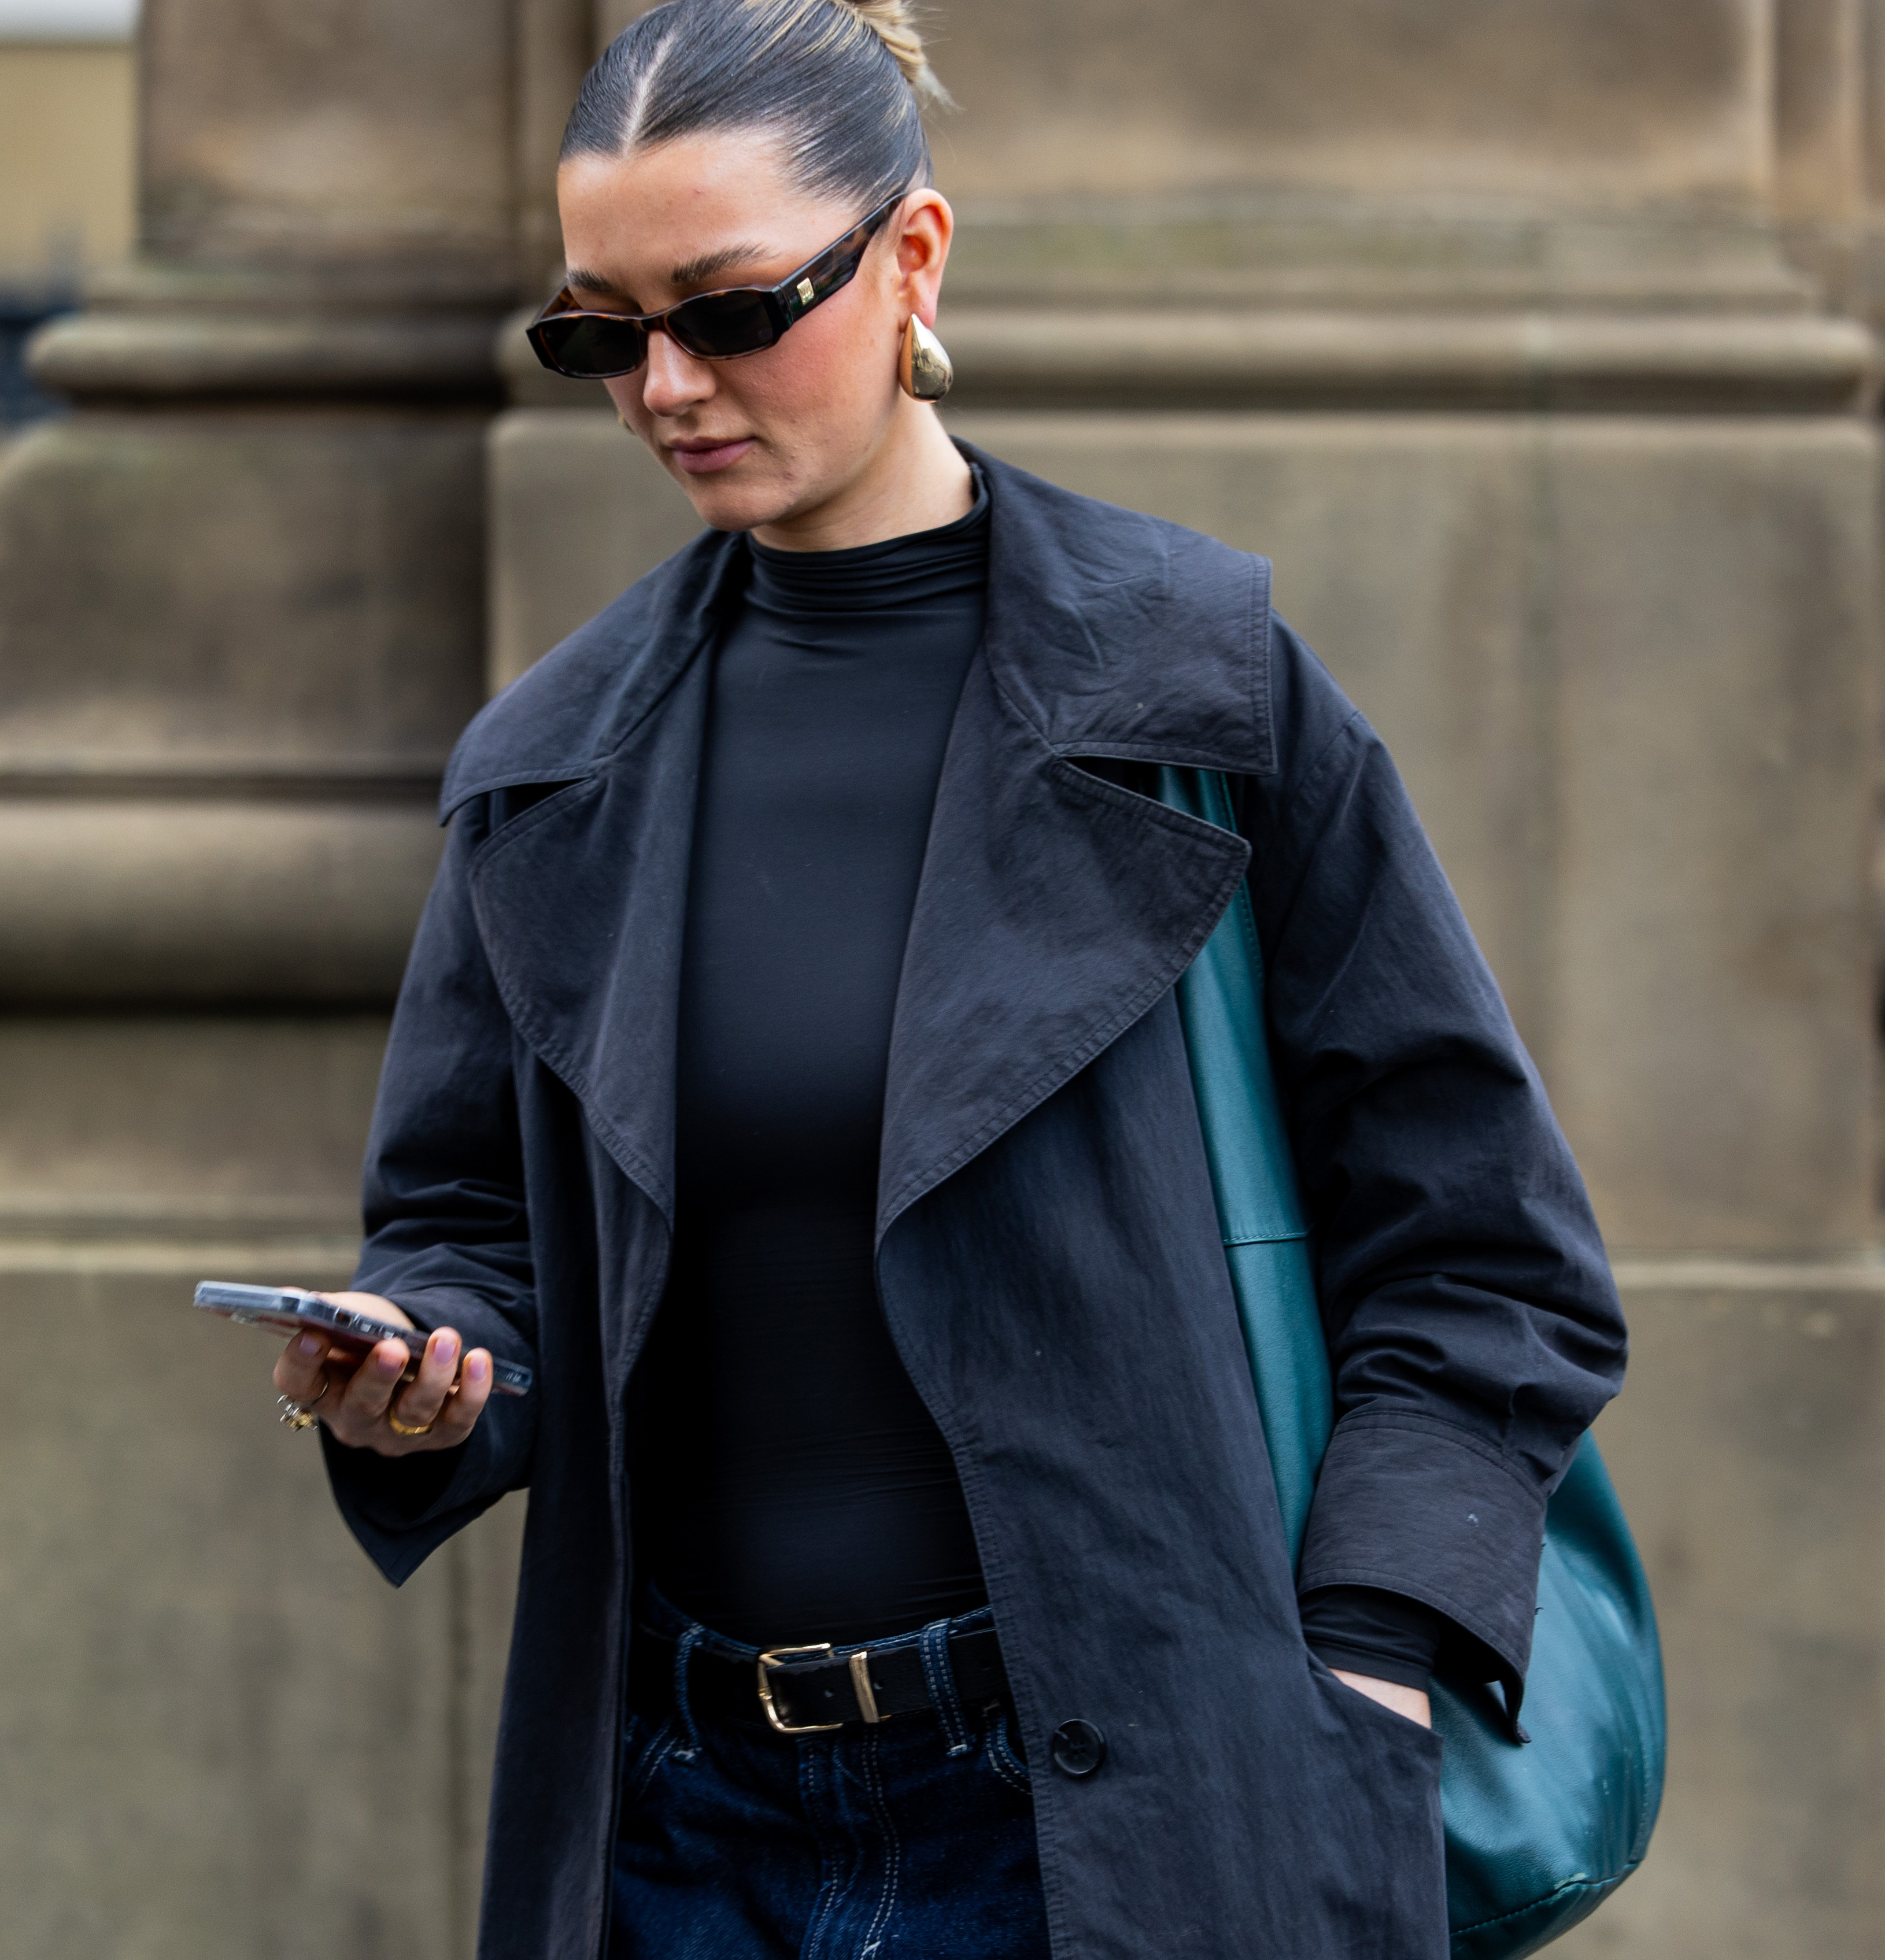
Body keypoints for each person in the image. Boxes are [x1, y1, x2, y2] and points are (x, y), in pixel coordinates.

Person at [259, 2, 1627, 1952]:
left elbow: (1485, 1248)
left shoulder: (1200, 689)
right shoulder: (552, 765)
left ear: (912, 259)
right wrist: (422, 1376)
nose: (664, 383)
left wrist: (1371, 1657)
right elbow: (474, 1228)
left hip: (1126, 1808)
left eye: (729, 309)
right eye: (598, 328)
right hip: (675, 1829)